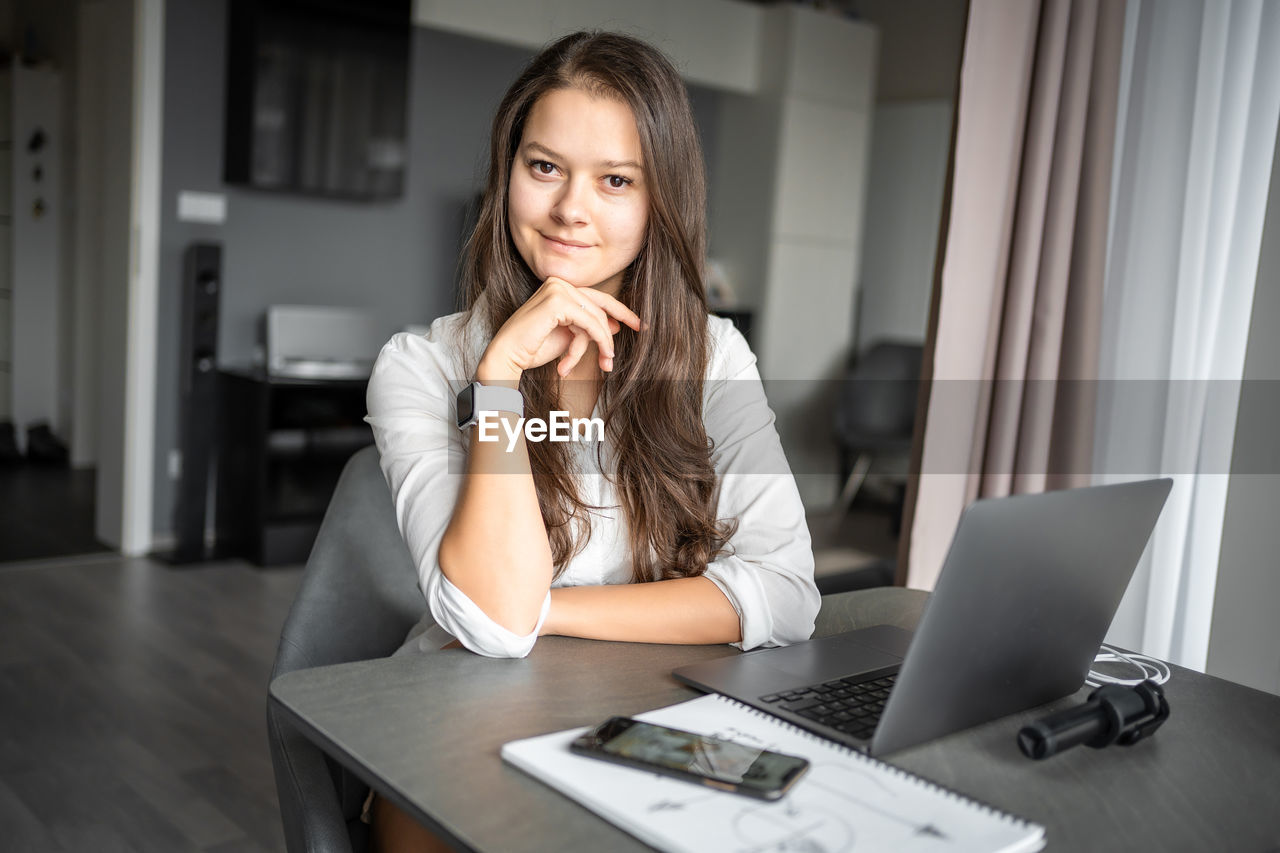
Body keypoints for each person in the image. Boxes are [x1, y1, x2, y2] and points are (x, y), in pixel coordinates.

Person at [363, 30, 819, 850]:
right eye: (544, 168)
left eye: (616, 180)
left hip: (648, 711)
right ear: (508, 175)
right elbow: (495, 629)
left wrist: (554, 611)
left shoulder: (714, 358)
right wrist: (499, 379)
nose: (572, 208)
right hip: (460, 717)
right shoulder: (423, 366)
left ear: (660, 201)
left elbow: (785, 594)